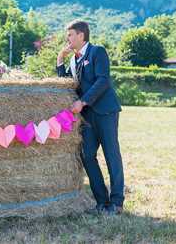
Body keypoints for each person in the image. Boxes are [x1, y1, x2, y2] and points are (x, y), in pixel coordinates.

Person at [56, 20, 124, 215]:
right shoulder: (73, 59)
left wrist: (83, 102)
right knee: (86, 155)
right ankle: (102, 202)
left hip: (105, 111)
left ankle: (117, 203)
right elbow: (67, 84)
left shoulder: (97, 52)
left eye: (69, 35)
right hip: (87, 117)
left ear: (81, 35)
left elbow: (103, 80)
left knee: (112, 155)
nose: (67, 38)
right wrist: (60, 59)